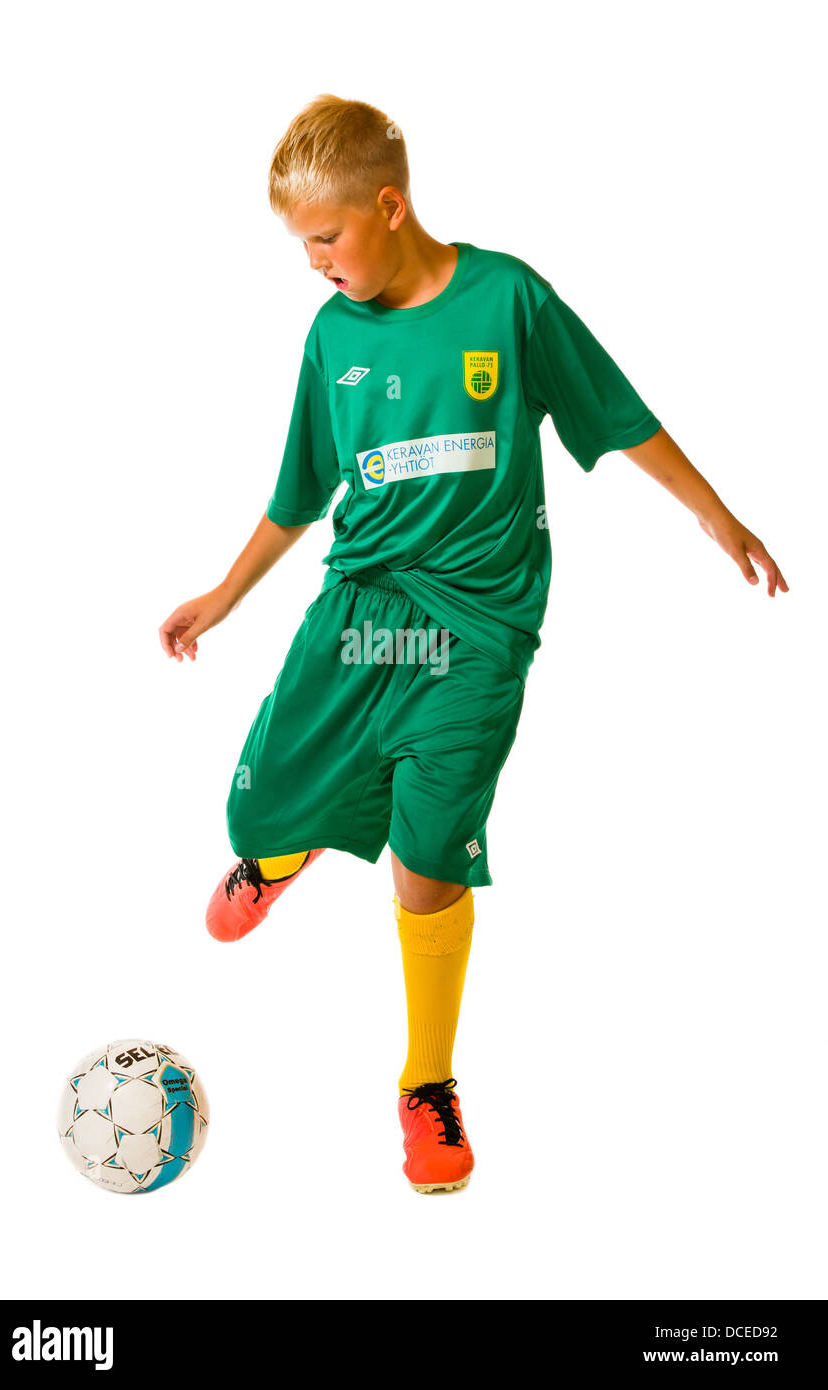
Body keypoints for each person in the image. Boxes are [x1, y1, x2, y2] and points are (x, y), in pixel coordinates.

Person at [159, 94, 788, 1194]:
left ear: (387, 206)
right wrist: (224, 592)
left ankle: (426, 1086)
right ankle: (282, 848)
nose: (311, 262)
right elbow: (300, 491)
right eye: (300, 242)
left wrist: (712, 513)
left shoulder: (508, 299)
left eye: (324, 236)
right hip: (359, 616)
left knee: (429, 855)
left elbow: (617, 411)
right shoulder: (331, 337)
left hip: (477, 634)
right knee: (253, 808)